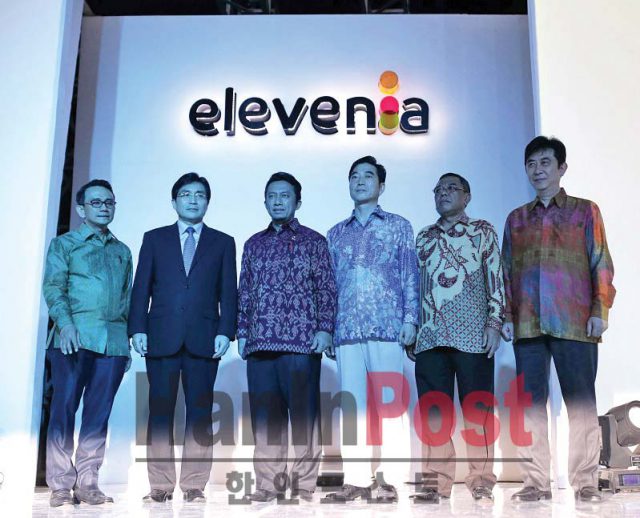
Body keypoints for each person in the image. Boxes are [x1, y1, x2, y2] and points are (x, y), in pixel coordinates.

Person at [502, 136, 615, 503]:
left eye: (545, 162)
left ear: (562, 168)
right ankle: (535, 482)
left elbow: (601, 261)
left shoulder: (585, 211)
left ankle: (585, 482)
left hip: (574, 320)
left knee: (580, 403)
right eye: (531, 164)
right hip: (527, 323)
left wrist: (600, 309)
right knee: (531, 406)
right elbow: (505, 273)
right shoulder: (516, 219)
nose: (538, 170)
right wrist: (507, 315)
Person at [128, 173, 237, 503]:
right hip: (161, 336)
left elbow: (228, 293)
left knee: (200, 413)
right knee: (160, 411)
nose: (193, 200)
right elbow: (141, 288)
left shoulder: (223, 242)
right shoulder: (154, 239)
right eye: (186, 194)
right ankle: (159, 485)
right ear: (174, 201)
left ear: (208, 202)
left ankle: (194, 485)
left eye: (200, 195)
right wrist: (137, 328)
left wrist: (226, 331)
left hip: (205, 338)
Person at [237, 173, 336, 502]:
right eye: (272, 196)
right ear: (265, 201)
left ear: (298, 202)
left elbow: (326, 288)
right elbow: (244, 292)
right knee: (266, 420)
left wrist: (325, 328)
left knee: (305, 418)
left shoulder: (314, 241)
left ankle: (304, 485)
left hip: (302, 343)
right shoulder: (253, 244)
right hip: (260, 343)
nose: (277, 201)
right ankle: (268, 485)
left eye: (285, 195)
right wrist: (242, 332)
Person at [325, 156, 419, 502]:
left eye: (368, 176)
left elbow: (410, 274)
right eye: (354, 176)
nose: (360, 181)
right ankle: (355, 479)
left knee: (390, 406)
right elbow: (329, 286)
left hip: (387, 325)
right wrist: (328, 327)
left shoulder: (398, 226)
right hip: (347, 328)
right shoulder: (336, 233)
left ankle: (390, 479)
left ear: (381, 185)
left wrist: (410, 319)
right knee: (352, 408)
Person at [410, 173, 505, 503]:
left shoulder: (483, 232)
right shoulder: (424, 237)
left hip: (473, 336)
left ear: (467, 196)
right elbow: (415, 286)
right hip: (430, 336)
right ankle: (436, 482)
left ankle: (481, 479)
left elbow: (496, 279)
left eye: (452, 188)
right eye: (438, 189)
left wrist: (495, 323)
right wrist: (413, 328)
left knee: (477, 412)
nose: (444, 193)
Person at [42, 179, 132, 507]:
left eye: (109, 202)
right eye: (96, 202)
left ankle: (88, 481)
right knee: (63, 410)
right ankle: (60, 485)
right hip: (73, 339)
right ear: (81, 209)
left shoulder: (122, 251)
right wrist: (65, 324)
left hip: (112, 344)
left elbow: (126, 299)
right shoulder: (64, 244)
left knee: (98, 414)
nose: (104, 207)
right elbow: (54, 287)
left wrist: (125, 343)